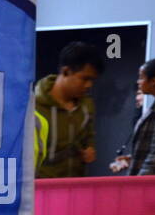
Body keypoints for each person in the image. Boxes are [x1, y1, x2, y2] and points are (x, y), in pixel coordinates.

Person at [34, 41, 103, 178]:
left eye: (92, 80)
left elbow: (89, 136)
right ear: (66, 71)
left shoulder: (87, 105)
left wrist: (89, 148)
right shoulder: (33, 106)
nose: (89, 85)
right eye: (84, 79)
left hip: (76, 187)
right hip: (44, 189)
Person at [110, 57, 155, 175]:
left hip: (150, 187)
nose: (138, 82)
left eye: (141, 77)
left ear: (153, 81)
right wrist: (132, 159)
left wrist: (139, 184)